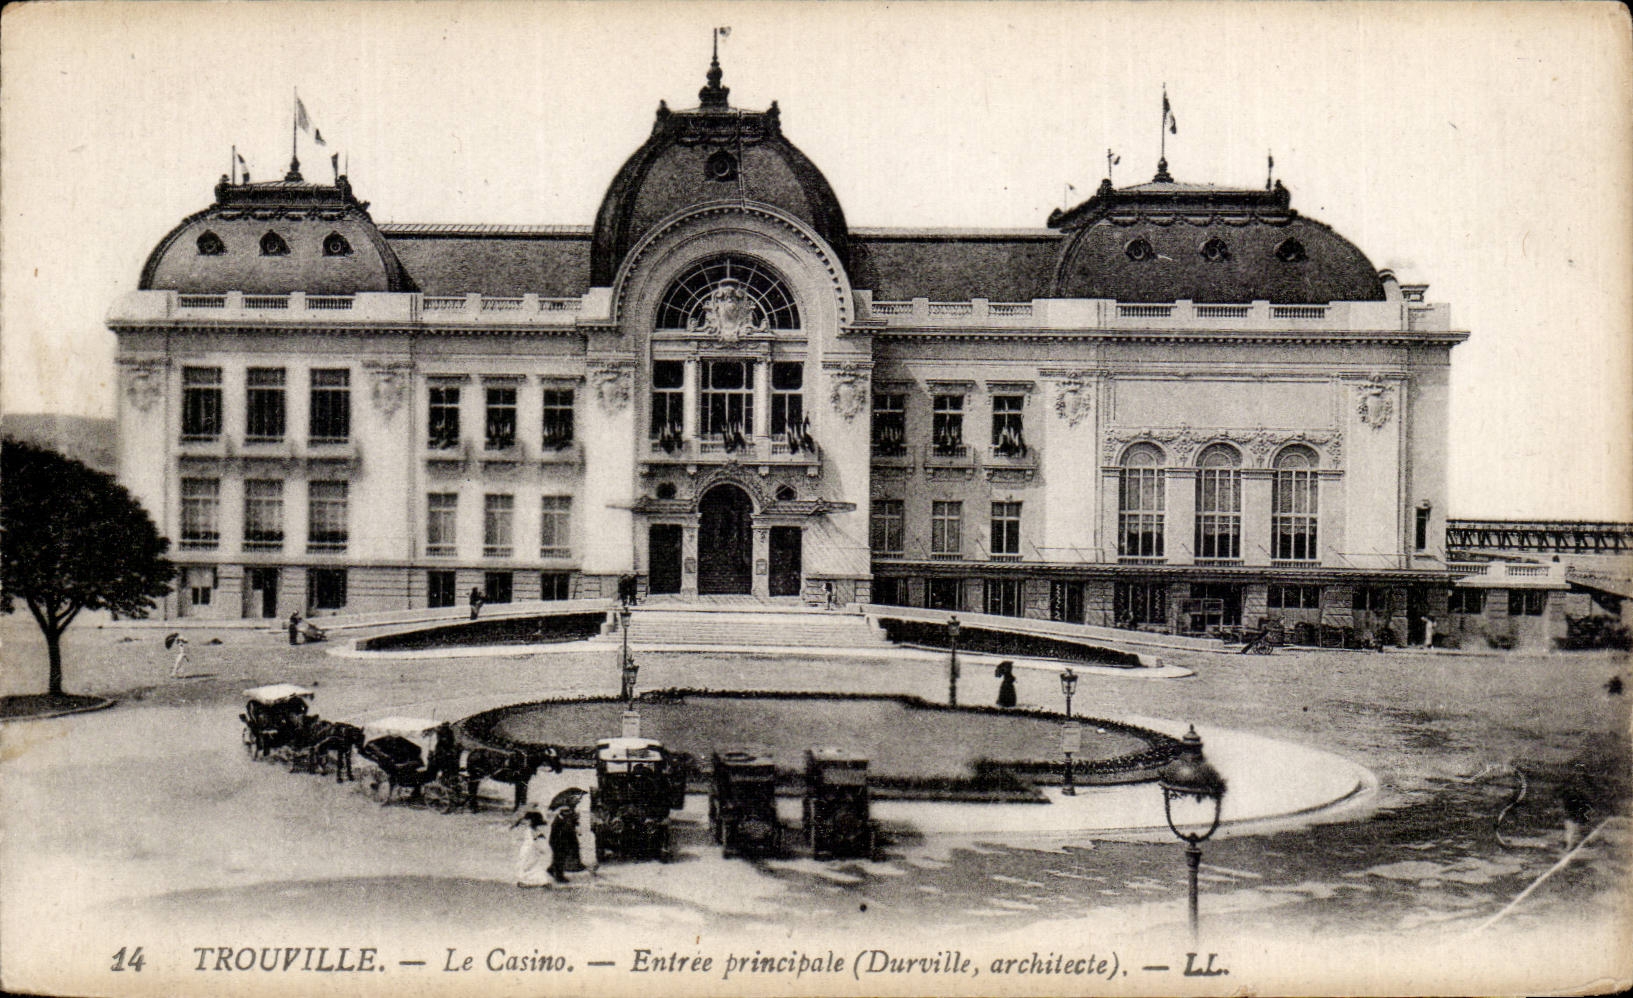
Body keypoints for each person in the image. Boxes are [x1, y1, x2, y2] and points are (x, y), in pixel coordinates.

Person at [512, 806, 554, 888]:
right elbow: (538, 843)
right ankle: (528, 881)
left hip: (529, 850)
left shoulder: (532, 831)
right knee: (530, 865)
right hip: (530, 850)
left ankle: (533, 881)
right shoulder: (533, 831)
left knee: (531, 865)